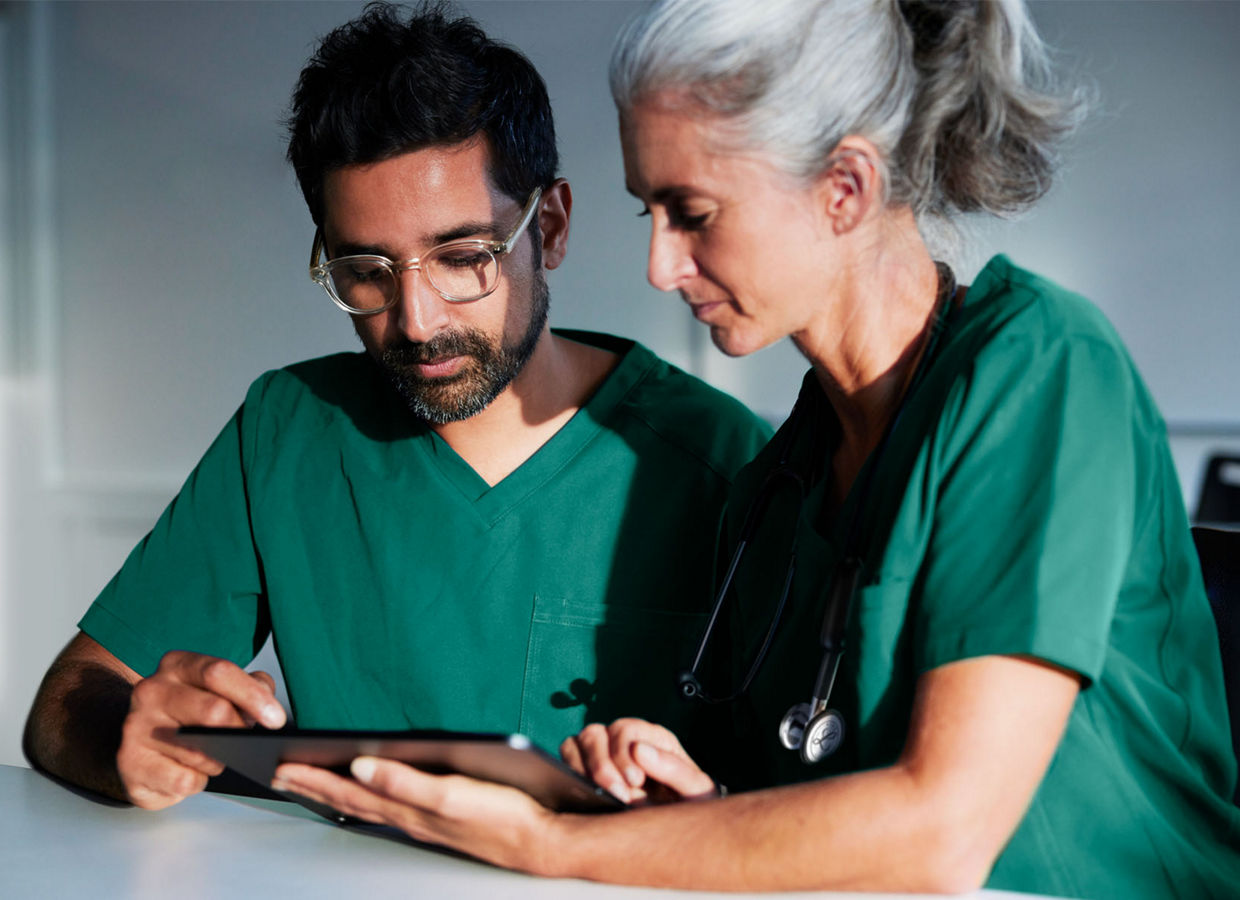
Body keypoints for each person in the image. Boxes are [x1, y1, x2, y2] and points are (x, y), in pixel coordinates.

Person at [267, 0, 1240, 896]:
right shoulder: (775, 486)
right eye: (646, 212)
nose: (658, 266)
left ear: (844, 189)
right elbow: (823, 811)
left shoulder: (1041, 368)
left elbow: (942, 831)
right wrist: (699, 812)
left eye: (691, 213)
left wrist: (549, 843)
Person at [22, 2, 769, 812]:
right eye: (367, 270)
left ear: (548, 226)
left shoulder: (726, 461)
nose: (416, 321)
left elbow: (798, 798)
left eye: (461, 257)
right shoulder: (290, 430)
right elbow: (69, 699)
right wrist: (130, 735)